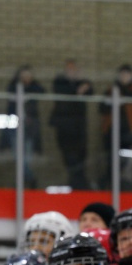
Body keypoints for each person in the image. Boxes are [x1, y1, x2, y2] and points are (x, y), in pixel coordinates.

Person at [50, 59, 94, 190]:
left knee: (81, 155)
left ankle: (80, 184)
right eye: (69, 69)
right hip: (64, 127)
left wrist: (81, 85)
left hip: (79, 128)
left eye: (74, 69)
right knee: (69, 157)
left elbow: (90, 91)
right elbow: (63, 93)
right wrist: (77, 91)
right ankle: (75, 182)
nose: (71, 72)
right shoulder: (60, 82)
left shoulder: (82, 82)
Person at [4, 65, 45, 188]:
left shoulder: (35, 88)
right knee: (18, 157)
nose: (26, 77)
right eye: (23, 75)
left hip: (29, 128)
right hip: (14, 125)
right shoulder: (13, 87)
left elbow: (42, 91)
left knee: (27, 157)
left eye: (28, 75)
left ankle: (25, 180)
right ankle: (29, 179)